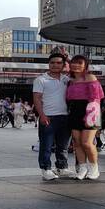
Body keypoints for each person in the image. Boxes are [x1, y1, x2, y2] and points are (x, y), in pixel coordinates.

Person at [33, 51, 73, 180]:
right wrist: (42, 115)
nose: (55, 65)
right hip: (48, 117)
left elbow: (77, 69)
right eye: (52, 63)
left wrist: (68, 58)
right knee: (46, 145)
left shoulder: (67, 80)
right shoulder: (41, 80)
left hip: (64, 117)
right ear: (48, 64)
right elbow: (37, 99)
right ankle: (46, 168)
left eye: (58, 63)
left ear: (63, 65)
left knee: (63, 146)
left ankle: (62, 167)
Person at [66, 54, 105, 180]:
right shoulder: (70, 80)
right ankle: (82, 168)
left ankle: (94, 169)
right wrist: (66, 57)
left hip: (91, 110)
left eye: (80, 63)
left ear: (85, 66)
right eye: (74, 63)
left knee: (87, 143)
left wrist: (91, 117)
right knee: (76, 142)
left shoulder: (90, 77)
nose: (76, 65)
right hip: (75, 110)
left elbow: (95, 98)